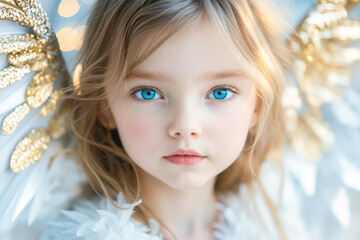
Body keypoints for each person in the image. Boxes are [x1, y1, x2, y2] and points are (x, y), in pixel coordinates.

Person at [37, 0, 304, 239]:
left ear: (256, 105)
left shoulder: (276, 227)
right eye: (148, 93)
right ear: (104, 108)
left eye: (220, 93)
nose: (185, 126)